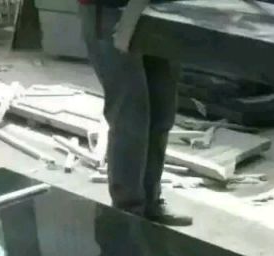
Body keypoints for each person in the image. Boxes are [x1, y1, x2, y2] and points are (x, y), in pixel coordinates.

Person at [78, 0, 192, 226]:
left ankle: (150, 202)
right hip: (111, 9)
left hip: (158, 9)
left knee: (162, 108)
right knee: (130, 115)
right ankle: (128, 211)